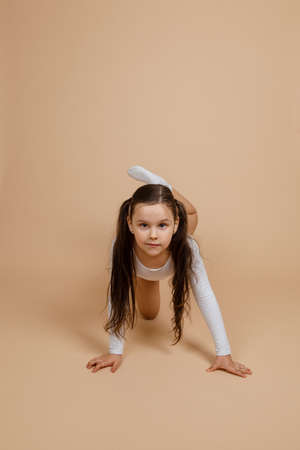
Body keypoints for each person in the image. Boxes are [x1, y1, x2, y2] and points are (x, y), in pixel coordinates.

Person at [86, 166, 252, 378]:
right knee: (149, 314)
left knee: (191, 212)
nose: (153, 235)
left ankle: (162, 185)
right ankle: (147, 258)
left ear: (175, 226)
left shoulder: (187, 245)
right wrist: (114, 351)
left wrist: (224, 353)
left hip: (175, 241)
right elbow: (117, 296)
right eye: (143, 225)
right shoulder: (121, 247)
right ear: (129, 224)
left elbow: (205, 295)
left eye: (162, 225)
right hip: (144, 269)